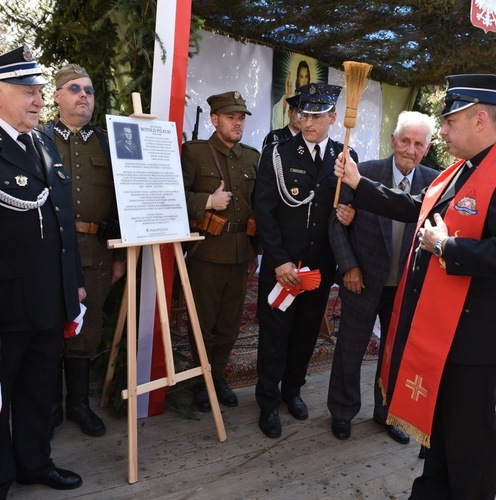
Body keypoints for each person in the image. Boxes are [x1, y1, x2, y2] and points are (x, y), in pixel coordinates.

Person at [334, 74, 496, 499]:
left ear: (481, 120)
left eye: (449, 122)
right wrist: (360, 186)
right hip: (447, 330)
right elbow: (416, 207)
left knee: (469, 433)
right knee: (442, 423)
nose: (443, 132)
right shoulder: (462, 171)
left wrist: (449, 247)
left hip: (479, 335)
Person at [0, 46, 85, 497]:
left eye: (39, 92)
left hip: (49, 297)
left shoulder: (42, 141)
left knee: (40, 388)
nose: (38, 101)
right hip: (1, 303)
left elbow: (62, 220)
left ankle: (34, 462)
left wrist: (75, 285)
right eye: (28, 92)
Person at [327, 111, 439, 441]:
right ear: (393, 140)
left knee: (396, 354)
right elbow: (336, 221)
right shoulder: (364, 173)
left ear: (427, 147)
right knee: (350, 348)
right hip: (360, 280)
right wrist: (349, 266)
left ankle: (387, 413)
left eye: (418, 144)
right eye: (405, 141)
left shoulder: (435, 183)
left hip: (404, 289)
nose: (410, 149)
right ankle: (343, 411)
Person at [254, 82, 358, 439]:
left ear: (333, 118)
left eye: (317, 115)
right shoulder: (279, 153)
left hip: (319, 266)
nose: (308, 121)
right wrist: (279, 260)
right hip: (284, 264)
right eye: (303, 113)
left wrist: (349, 213)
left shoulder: (345, 157)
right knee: (274, 333)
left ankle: (292, 390)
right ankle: (267, 402)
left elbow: (348, 209)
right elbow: (264, 210)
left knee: (306, 333)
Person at [43, 63, 126, 437]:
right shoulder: (39, 139)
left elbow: (126, 200)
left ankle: (78, 403)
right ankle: (46, 406)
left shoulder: (108, 142)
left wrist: (120, 256)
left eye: (89, 90)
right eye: (74, 89)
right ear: (57, 95)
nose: (82, 96)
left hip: (94, 252)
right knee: (46, 329)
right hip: (47, 253)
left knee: (86, 331)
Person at [182, 91, 260, 411]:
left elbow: (259, 207)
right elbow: (175, 197)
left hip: (241, 253)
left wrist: (255, 250)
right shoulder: (195, 153)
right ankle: (201, 382)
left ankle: (217, 378)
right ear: (214, 120)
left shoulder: (252, 157)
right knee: (203, 322)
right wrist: (207, 202)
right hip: (207, 252)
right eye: (231, 117)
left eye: (241, 117)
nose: (237, 122)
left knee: (229, 323)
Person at [271, 59, 310, 130]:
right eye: (301, 77)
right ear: (298, 79)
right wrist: (287, 96)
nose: (304, 81)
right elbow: (276, 110)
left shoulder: (312, 98)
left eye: (306, 76)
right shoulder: (291, 96)